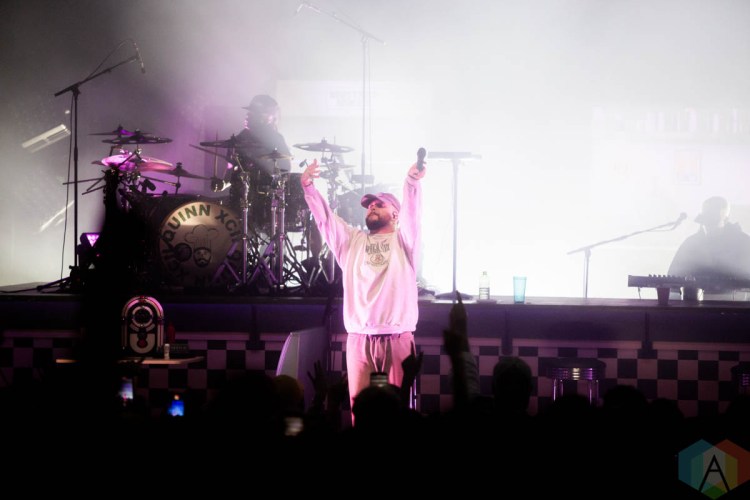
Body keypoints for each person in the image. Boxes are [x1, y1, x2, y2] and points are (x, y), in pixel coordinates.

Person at [300, 157, 426, 413]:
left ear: (395, 214)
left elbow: (413, 215)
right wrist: (309, 188)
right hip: (359, 340)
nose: (372, 208)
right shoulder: (351, 242)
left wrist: (412, 182)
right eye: (369, 206)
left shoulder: (405, 241)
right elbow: (325, 219)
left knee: (398, 414)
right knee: (361, 412)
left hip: (396, 337)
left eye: (379, 204)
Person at [226, 95, 293, 231]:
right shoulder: (241, 137)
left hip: (264, 195)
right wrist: (224, 181)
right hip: (240, 193)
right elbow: (230, 164)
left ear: (267, 117)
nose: (248, 116)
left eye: (253, 113)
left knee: (261, 228)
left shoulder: (275, 138)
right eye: (249, 112)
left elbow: (286, 167)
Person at [667, 196, 750, 298]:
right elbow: (672, 280)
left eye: (712, 221)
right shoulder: (691, 244)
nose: (708, 225)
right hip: (697, 305)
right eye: (705, 221)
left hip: (735, 305)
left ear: (726, 219)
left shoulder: (744, 243)